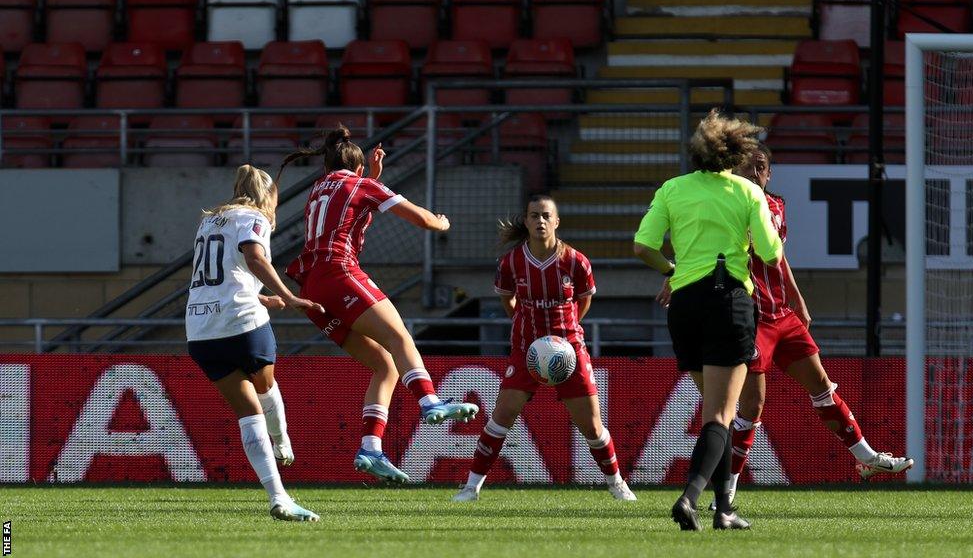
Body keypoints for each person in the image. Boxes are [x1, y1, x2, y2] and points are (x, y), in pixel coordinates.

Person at [714, 143, 912, 509]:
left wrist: (798, 298)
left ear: (769, 173)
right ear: (735, 171)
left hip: (782, 316)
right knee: (752, 407)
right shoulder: (729, 207)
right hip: (751, 318)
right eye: (748, 166)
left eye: (761, 167)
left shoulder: (776, 206)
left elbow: (778, 257)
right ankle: (725, 494)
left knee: (821, 386)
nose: (755, 172)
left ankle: (866, 458)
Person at [279, 125, 479, 484]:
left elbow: (349, 210)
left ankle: (370, 448)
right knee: (400, 337)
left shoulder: (318, 189)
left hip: (311, 289)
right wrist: (442, 223)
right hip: (338, 272)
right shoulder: (361, 185)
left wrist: (370, 176)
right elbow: (422, 219)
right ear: (357, 169)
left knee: (384, 366)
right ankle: (430, 402)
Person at [633, 109, 782, 532]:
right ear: (736, 154)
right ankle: (689, 498)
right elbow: (771, 255)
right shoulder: (747, 193)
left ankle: (725, 511)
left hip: (684, 306)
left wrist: (673, 271)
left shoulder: (672, 189)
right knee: (721, 414)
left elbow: (643, 246)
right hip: (728, 302)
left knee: (715, 414)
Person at [452, 195, 636, 502]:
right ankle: (471, 488)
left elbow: (584, 299)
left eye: (546, 215)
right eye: (534, 215)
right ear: (525, 221)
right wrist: (527, 329)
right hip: (527, 351)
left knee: (592, 426)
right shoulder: (511, 262)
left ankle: (617, 484)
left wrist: (566, 332)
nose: (540, 221)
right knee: (501, 417)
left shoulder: (576, 261)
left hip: (569, 351)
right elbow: (507, 299)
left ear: (556, 221)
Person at [185, 165, 324, 522]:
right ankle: (283, 440)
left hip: (201, 331)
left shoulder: (209, 221)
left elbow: (220, 278)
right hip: (241, 325)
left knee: (249, 415)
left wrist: (262, 298)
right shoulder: (253, 218)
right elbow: (254, 258)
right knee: (266, 387)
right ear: (267, 197)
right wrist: (288, 296)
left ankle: (279, 497)